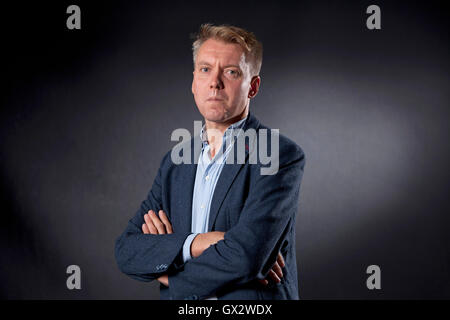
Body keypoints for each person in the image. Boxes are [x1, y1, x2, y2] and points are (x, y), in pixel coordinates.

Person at [115, 23, 306, 300]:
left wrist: (168, 269)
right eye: (205, 69)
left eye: (230, 72)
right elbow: (127, 250)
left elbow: (246, 258)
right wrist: (200, 242)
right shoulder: (174, 164)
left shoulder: (278, 155)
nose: (215, 82)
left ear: (252, 86)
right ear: (194, 82)